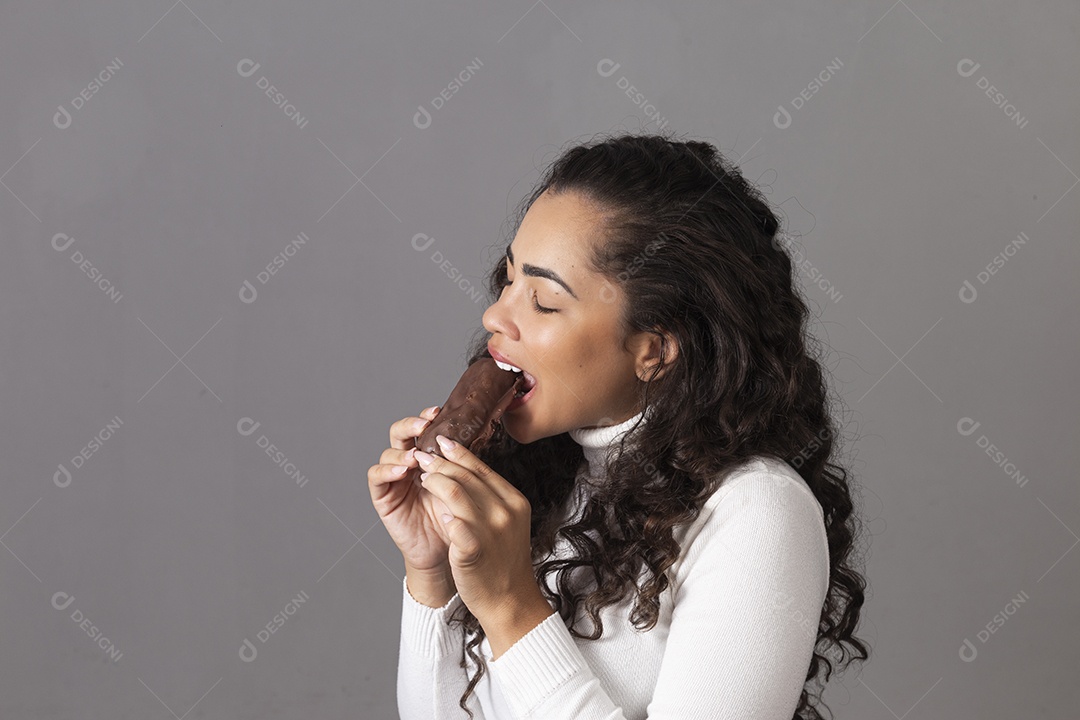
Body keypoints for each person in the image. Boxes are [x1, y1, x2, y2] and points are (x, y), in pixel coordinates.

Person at [368, 132, 870, 719]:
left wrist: (511, 607)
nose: (495, 314)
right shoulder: (551, 487)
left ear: (654, 349)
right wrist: (430, 574)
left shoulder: (756, 511)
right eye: (508, 281)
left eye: (545, 301)